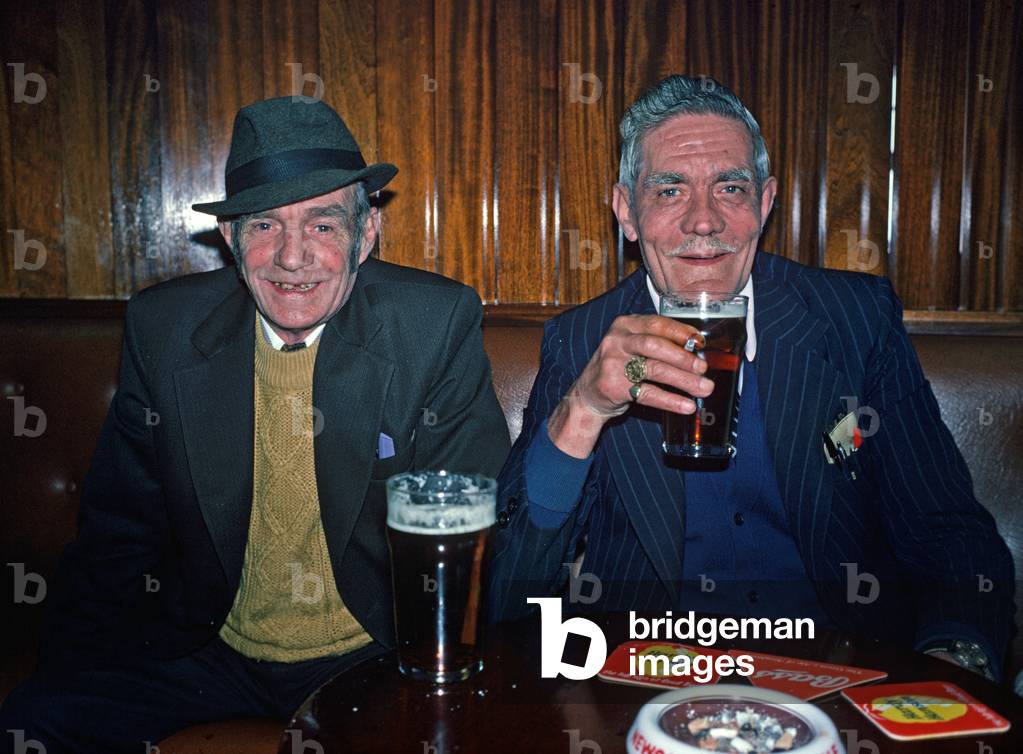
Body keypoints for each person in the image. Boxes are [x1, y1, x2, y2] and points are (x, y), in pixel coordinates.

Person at [0, 97, 509, 752]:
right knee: (30, 722)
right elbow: (118, 527)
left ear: (365, 236)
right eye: (264, 225)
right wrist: (66, 665)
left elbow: (475, 522)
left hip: (366, 651)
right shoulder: (167, 331)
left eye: (322, 225)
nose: (291, 257)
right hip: (206, 649)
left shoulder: (432, 325)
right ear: (231, 239)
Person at [487, 74, 1014, 681]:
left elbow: (946, 527)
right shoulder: (582, 341)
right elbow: (507, 591)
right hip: (646, 683)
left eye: (729, 188)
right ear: (627, 213)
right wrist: (581, 410)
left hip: (840, 675)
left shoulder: (855, 319)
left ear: (763, 205)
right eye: (669, 191)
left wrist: (957, 657)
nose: (704, 220)